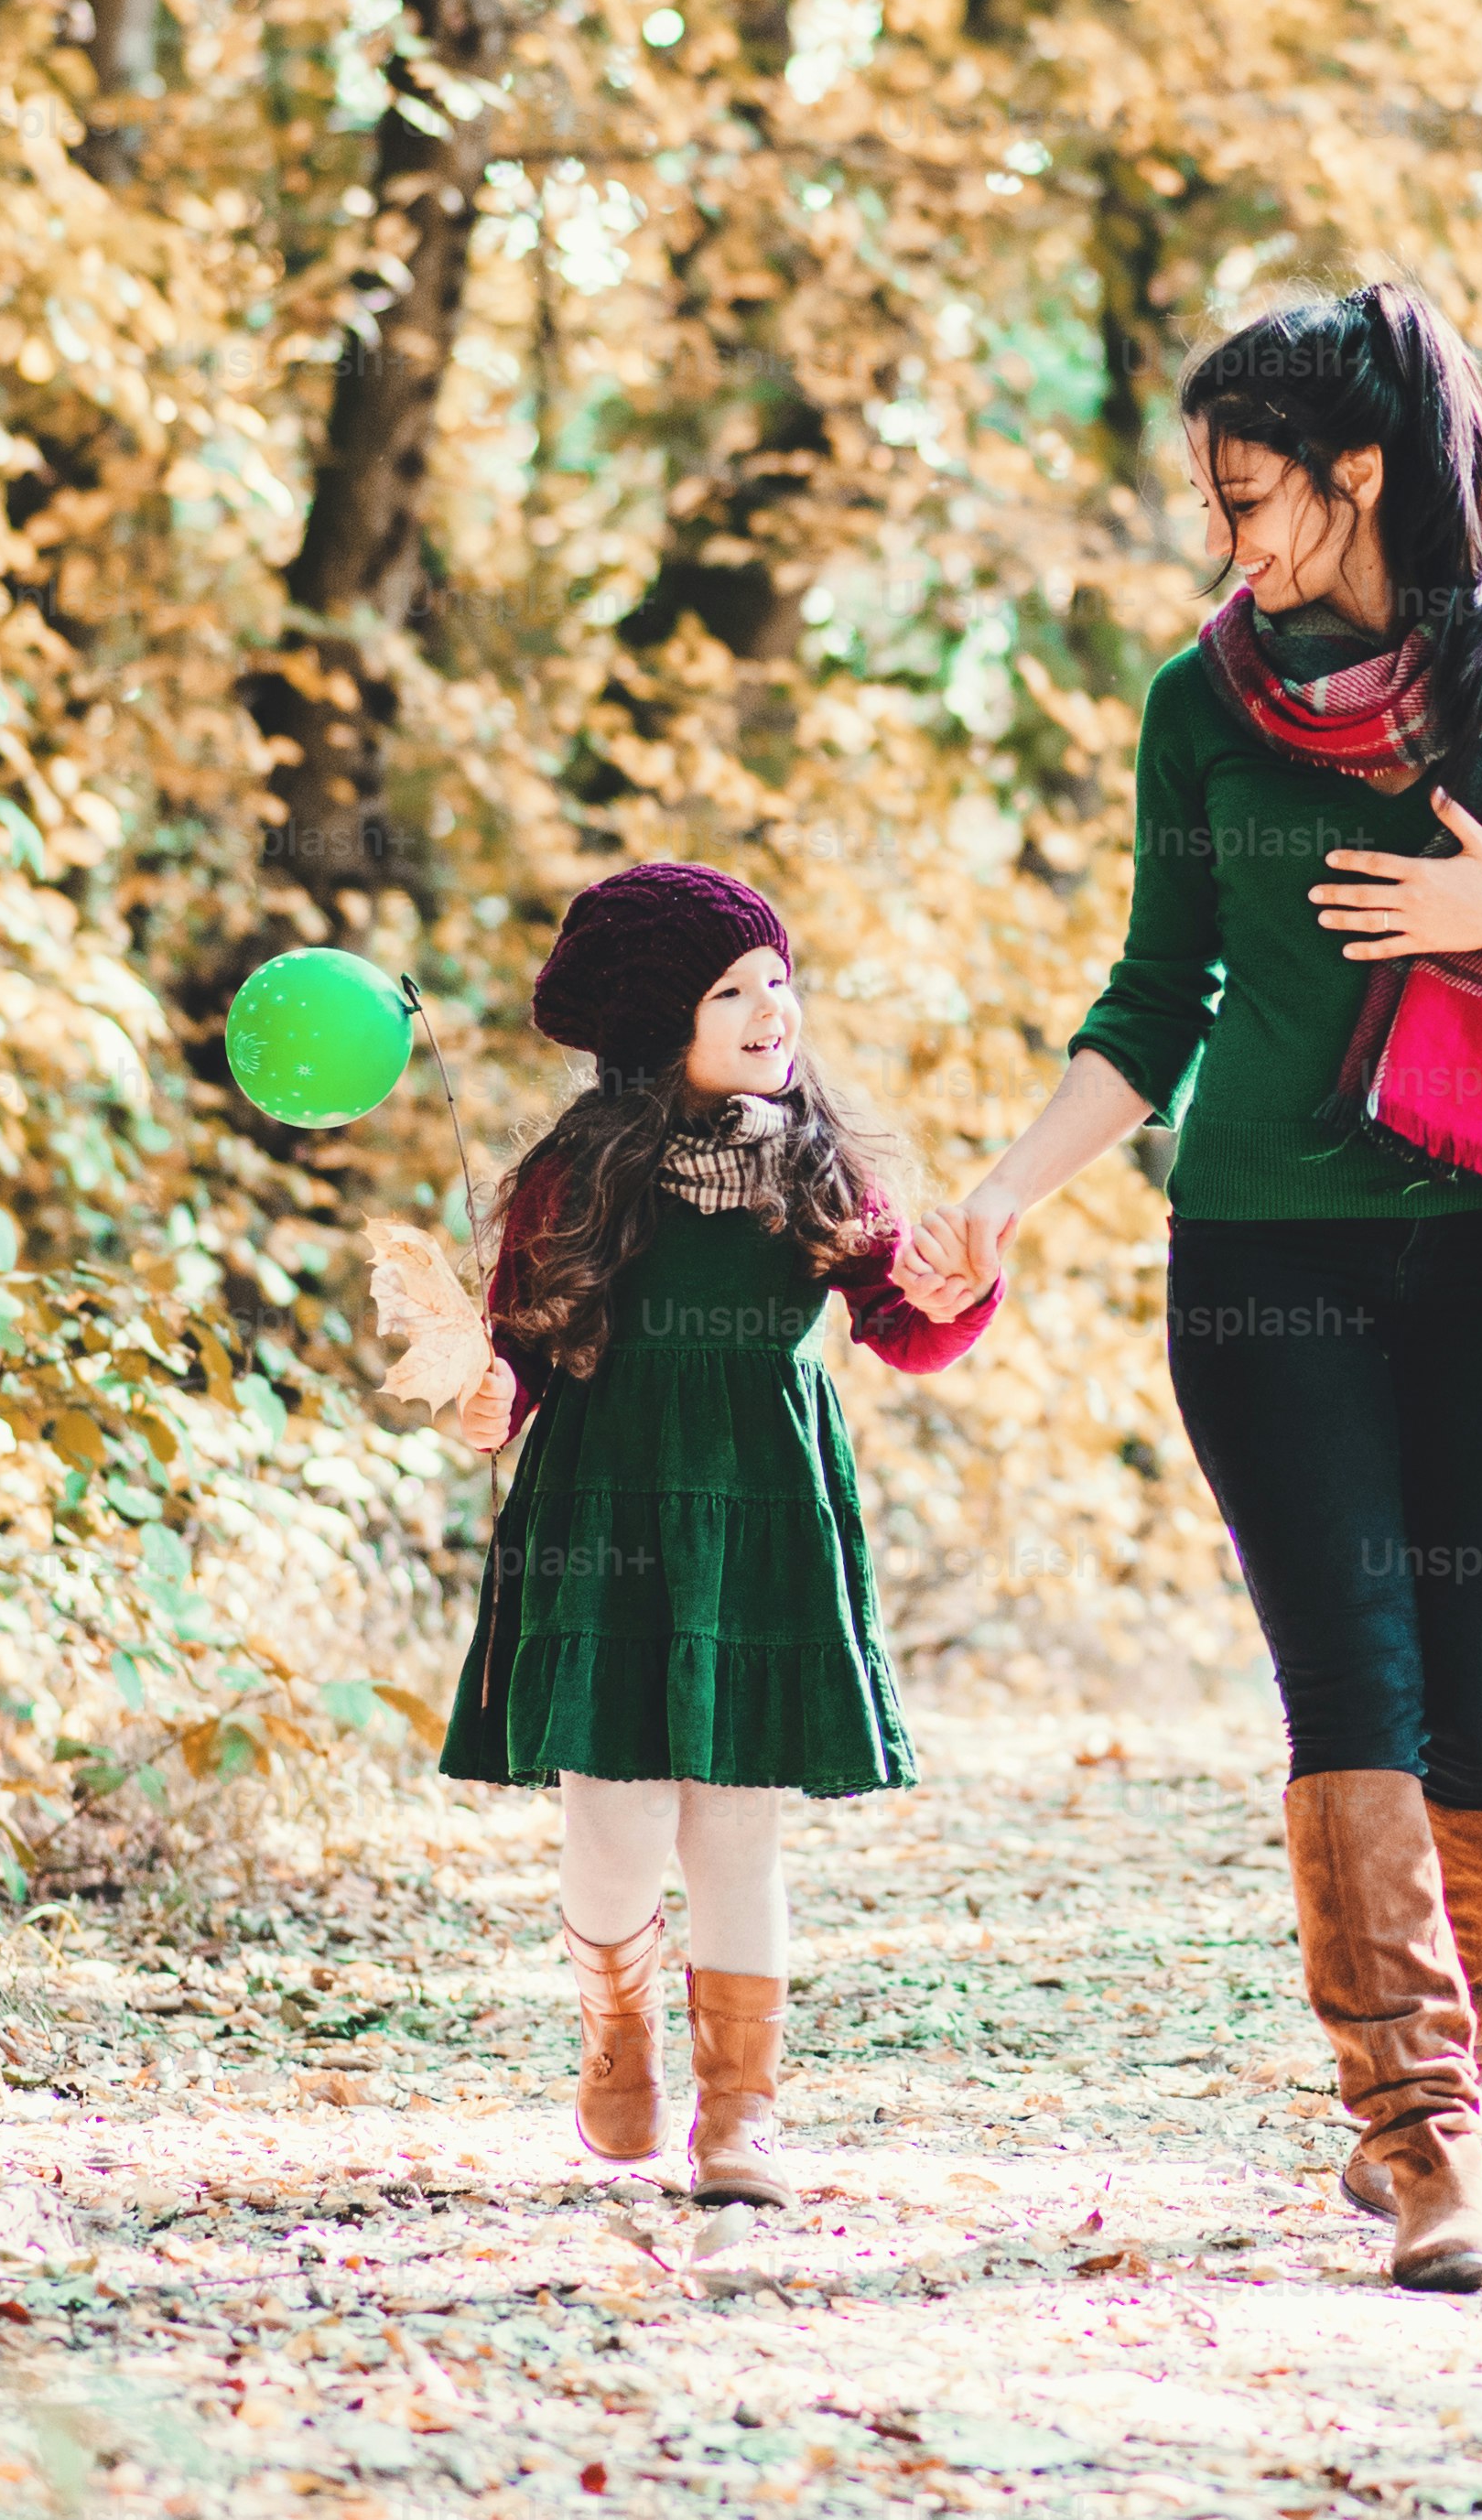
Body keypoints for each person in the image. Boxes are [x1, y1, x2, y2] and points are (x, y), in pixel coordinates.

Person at [903, 278, 1482, 2292]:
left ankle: (1466, 2056)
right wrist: (1002, 1193)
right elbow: (1150, 998)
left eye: (1253, 491)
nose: (1230, 535)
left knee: (1481, 1707)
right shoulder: (1203, 705)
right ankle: (1419, 2125)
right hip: (1265, 1257)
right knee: (1346, 1684)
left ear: (1361, 470)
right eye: (1214, 493)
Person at [439, 861, 999, 2198]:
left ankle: (739, 2109)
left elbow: (906, 1328)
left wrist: (961, 1285)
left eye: (777, 982)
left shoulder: (818, 1164)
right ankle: (617, 2021)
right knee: (616, 1821)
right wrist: (486, 1392)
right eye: (730, 989)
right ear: (652, 1022)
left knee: (739, 1825)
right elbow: (522, 1336)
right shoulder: (581, 1170)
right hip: (608, 1503)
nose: (770, 1009)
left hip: (764, 1511)